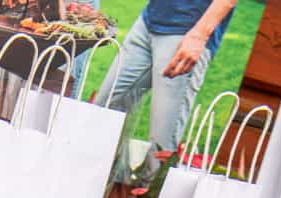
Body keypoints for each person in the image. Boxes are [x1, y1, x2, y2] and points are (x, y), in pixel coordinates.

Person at [94, 0, 237, 171]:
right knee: (104, 114)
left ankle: (151, 187)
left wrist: (199, 35)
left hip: (187, 33)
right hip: (149, 20)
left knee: (161, 148)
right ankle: (104, 182)